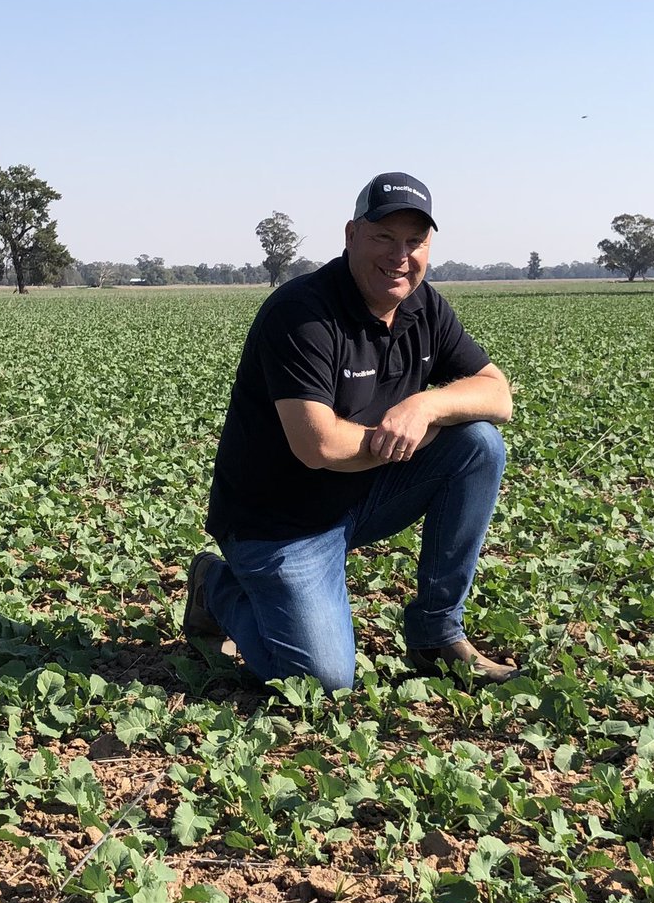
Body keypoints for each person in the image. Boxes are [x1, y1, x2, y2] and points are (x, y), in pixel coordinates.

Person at [185, 171, 517, 693]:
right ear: (351, 234)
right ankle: (217, 588)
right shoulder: (302, 314)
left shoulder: (423, 305)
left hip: (359, 498)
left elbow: (498, 396)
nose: (400, 256)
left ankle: (435, 634)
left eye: (414, 241)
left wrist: (425, 406)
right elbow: (318, 445)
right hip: (278, 524)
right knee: (321, 679)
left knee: (478, 445)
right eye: (384, 237)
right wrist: (415, 437)